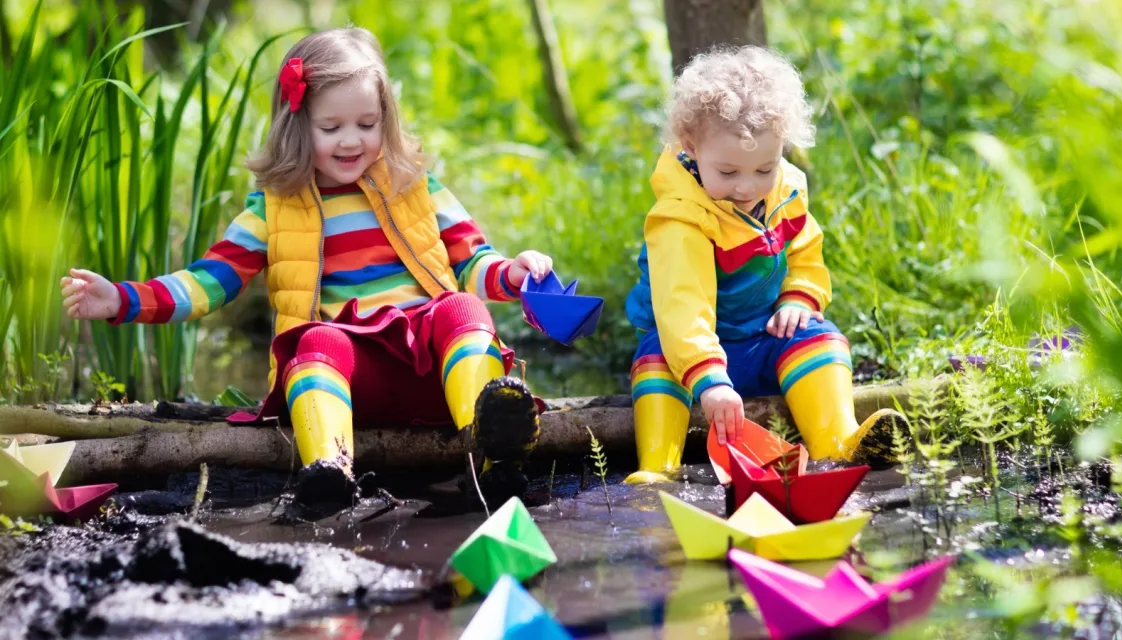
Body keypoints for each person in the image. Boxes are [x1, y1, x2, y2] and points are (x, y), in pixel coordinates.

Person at [60, 28, 552, 511]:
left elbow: (472, 260)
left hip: (434, 374)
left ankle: (492, 459)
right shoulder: (273, 209)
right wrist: (122, 299)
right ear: (298, 125)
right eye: (331, 127)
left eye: (366, 123)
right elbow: (210, 281)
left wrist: (511, 273)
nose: (351, 141)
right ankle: (330, 474)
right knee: (314, 340)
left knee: (461, 308)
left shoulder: (416, 187)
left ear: (386, 119)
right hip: (349, 385)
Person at [624, 45, 901, 484]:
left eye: (763, 169)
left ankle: (838, 444)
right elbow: (682, 305)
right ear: (691, 147)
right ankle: (660, 467)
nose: (747, 187)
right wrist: (709, 378)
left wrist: (799, 297)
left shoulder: (786, 189)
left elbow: (806, 251)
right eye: (729, 173)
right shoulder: (681, 217)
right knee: (657, 355)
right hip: (691, 354)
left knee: (816, 333)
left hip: (762, 339)